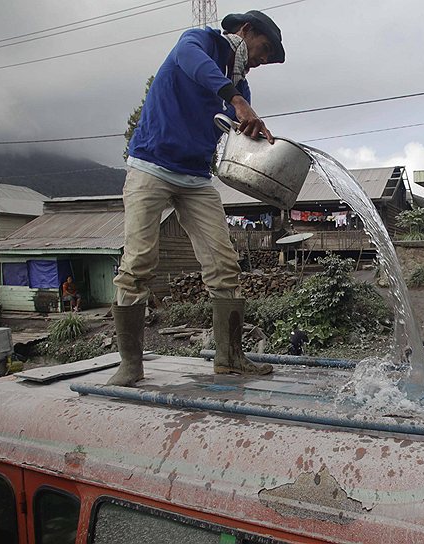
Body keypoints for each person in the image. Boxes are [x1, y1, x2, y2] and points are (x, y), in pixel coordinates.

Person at [107, 10, 286, 386]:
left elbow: (232, 134)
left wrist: (253, 135)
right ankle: (130, 364)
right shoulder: (198, 42)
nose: (262, 59)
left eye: (268, 58)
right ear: (245, 31)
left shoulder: (240, 88)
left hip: (195, 177)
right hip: (151, 165)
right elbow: (194, 64)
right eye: (264, 49)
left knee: (224, 263)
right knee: (138, 262)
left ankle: (230, 357)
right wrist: (237, 100)